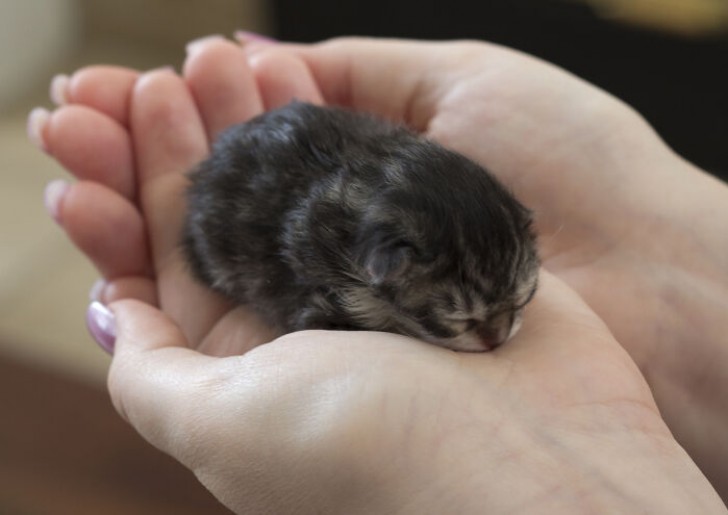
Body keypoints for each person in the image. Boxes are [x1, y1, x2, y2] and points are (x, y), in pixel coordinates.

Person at [28, 35, 728, 513]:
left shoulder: (456, 237)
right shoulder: (350, 262)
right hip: (259, 208)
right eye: (461, 317)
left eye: (516, 300)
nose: (501, 334)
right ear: (385, 267)